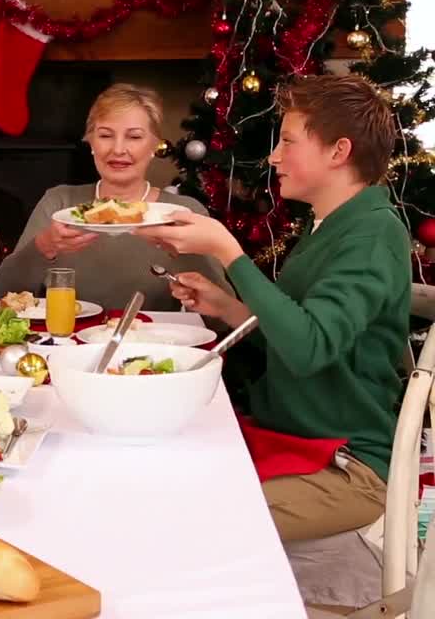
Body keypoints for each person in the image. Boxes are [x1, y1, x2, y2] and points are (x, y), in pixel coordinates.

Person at [137, 74, 409, 543]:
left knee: (183, 524)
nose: (274, 157)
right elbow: (296, 331)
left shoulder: (371, 236)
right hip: (292, 435)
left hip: (346, 464)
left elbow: (309, 349)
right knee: (153, 473)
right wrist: (229, 307)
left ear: (338, 152)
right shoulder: (330, 224)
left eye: (288, 141)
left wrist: (229, 251)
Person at [0, 83, 230, 311]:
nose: (118, 149)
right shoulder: (60, 203)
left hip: (153, 347)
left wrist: (184, 254)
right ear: (91, 142)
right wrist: (43, 246)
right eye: (105, 135)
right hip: (69, 345)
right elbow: (4, 291)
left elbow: (220, 320)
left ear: (154, 146)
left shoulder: (183, 212)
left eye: (134, 137)